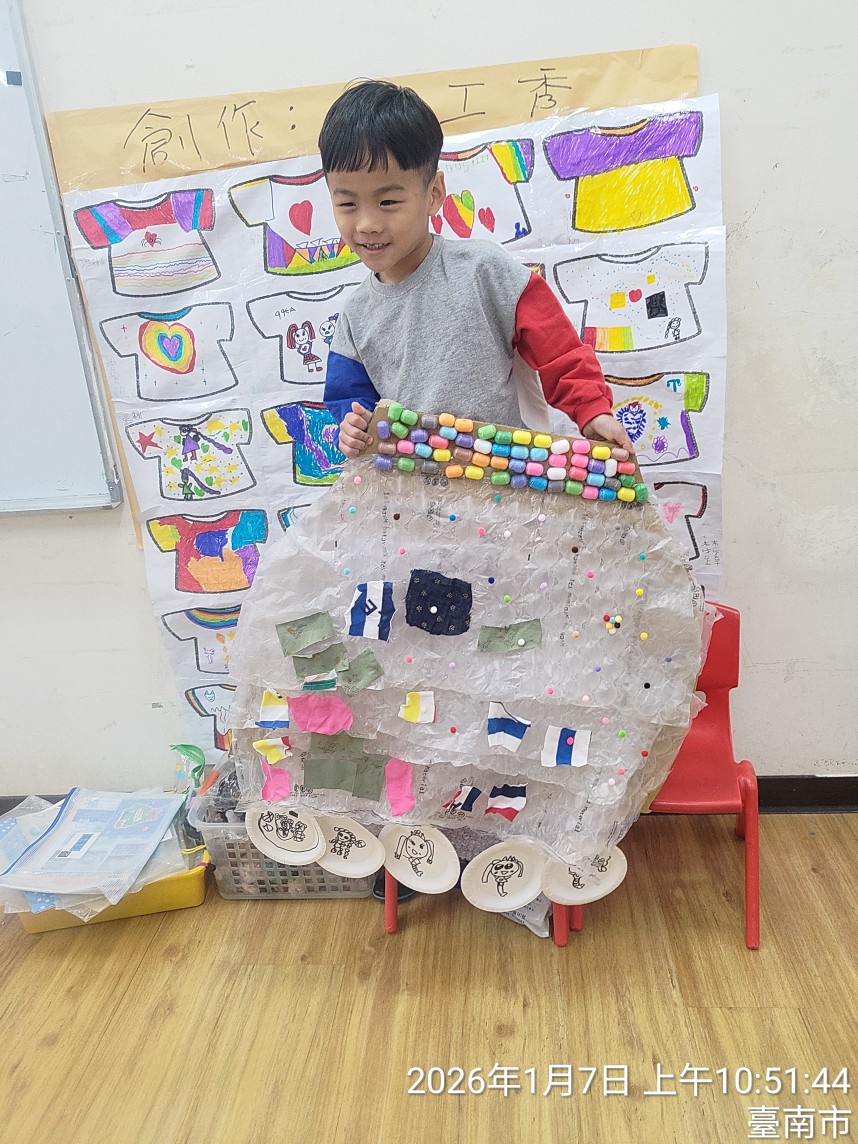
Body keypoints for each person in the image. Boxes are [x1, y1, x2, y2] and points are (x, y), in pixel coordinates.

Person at [317, 79, 635, 459]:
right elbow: (351, 401)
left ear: (434, 194)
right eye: (347, 205)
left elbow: (560, 351)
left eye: (388, 202)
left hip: (503, 476)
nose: (367, 224)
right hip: (413, 485)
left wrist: (592, 411)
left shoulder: (484, 271)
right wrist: (354, 427)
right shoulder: (355, 316)